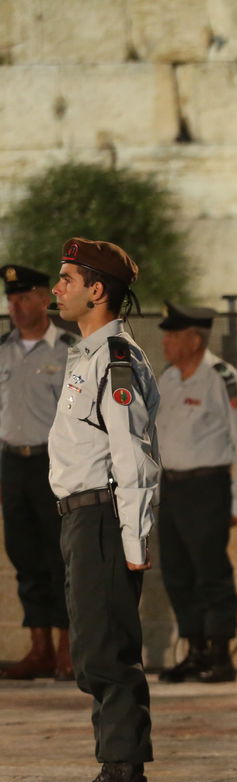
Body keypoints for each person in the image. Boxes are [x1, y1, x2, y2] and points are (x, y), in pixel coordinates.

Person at [46, 237, 160, 782]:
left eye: (68, 278)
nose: (56, 287)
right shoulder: (87, 354)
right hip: (79, 516)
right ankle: (118, 774)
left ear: (98, 290)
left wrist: (134, 543)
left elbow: (133, 455)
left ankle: (124, 777)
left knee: (108, 651)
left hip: (102, 519)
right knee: (92, 650)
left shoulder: (116, 357)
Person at [153, 303, 237, 684]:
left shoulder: (222, 378)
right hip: (173, 487)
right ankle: (195, 650)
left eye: (173, 335)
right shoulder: (167, 378)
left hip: (207, 487)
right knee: (178, 573)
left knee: (211, 573)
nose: (165, 342)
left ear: (195, 340)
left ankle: (220, 653)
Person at [0, 263, 76, 680]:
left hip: (54, 464)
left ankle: (67, 648)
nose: (15, 305)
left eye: (24, 297)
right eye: (11, 298)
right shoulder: (2, 350)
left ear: (45, 298)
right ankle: (39, 648)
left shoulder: (69, 349)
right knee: (24, 555)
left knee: (58, 556)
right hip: (12, 462)